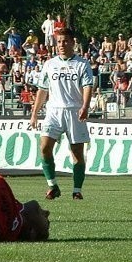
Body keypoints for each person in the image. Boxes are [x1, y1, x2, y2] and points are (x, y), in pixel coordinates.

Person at [30, 27, 93, 200]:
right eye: (59, 41)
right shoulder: (50, 64)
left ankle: (77, 190)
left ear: (73, 42)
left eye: (65, 41)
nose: (61, 44)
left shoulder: (82, 64)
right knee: (44, 148)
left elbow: (88, 86)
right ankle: (52, 186)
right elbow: (42, 90)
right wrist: (35, 113)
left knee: (77, 153)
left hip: (74, 111)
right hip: (54, 111)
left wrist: (85, 106)